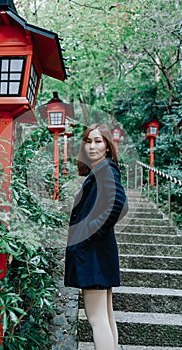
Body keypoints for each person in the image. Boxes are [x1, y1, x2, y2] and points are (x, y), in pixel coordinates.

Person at [64, 123, 128, 350]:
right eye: (88, 141)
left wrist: (89, 231)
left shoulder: (106, 170)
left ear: (108, 147)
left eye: (98, 141)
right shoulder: (101, 170)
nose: (92, 146)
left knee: (96, 318)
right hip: (99, 252)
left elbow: (118, 204)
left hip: (93, 253)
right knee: (106, 316)